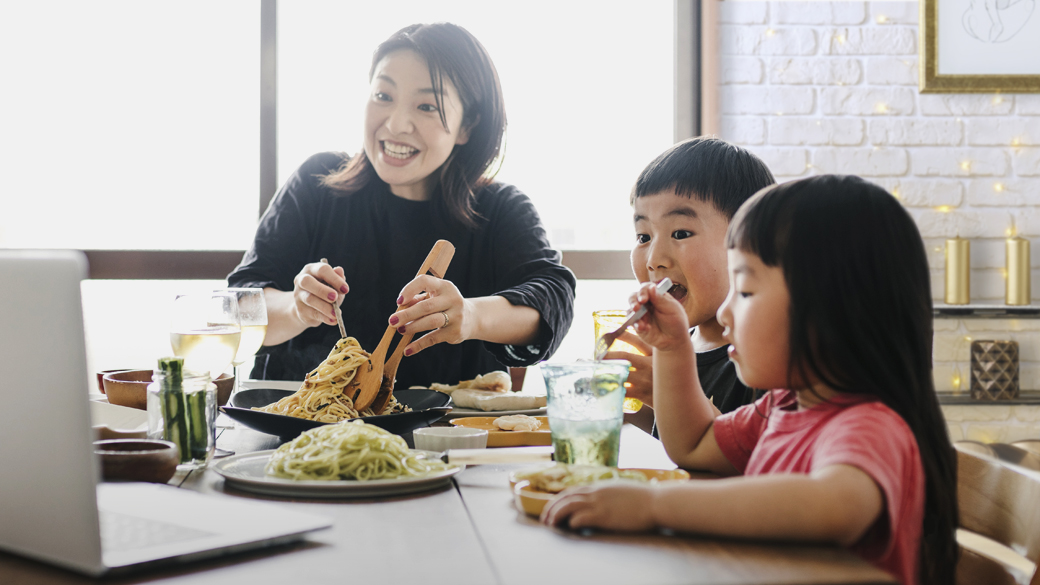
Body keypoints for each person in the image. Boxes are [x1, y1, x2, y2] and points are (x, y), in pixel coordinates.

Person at [543, 175, 958, 585]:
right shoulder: (781, 407)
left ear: (829, 307)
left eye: (743, 291)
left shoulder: (868, 424)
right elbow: (693, 443)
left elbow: (833, 507)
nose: (725, 314)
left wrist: (655, 505)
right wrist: (673, 349)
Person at [228, 23, 575, 389]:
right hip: (300, 433)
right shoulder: (317, 183)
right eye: (383, 96)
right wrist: (297, 308)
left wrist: (470, 315)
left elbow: (553, 298)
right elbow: (241, 306)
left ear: (467, 127)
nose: (395, 124)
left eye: (426, 106)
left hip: (446, 436)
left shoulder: (500, 209)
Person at [605, 137, 774, 427]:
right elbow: (665, 436)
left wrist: (669, 391)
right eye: (643, 237)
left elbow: (755, 456)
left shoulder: (763, 359)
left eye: (681, 233)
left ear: (747, 241)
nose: (654, 259)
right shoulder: (679, 343)